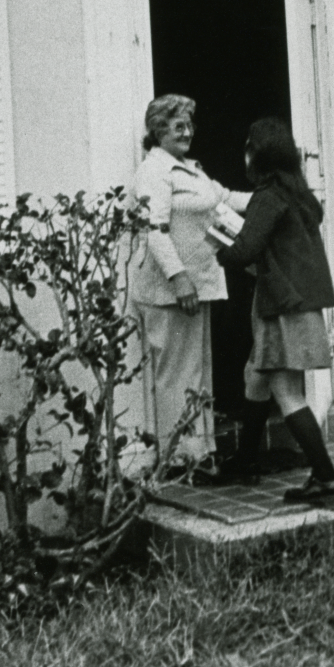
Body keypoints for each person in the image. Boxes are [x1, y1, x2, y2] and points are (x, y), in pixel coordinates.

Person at [213, 117, 334, 503]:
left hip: (282, 306)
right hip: (298, 302)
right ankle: (247, 460)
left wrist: (214, 247)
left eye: (248, 146)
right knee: (255, 375)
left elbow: (245, 250)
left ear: (258, 153)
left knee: (286, 390)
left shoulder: (269, 197)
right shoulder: (299, 196)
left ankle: (326, 478)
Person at [130, 94, 250, 467]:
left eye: (189, 124)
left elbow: (225, 198)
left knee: (197, 375)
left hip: (196, 286)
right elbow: (153, 227)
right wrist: (178, 278)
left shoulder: (190, 169)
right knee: (177, 377)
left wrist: (275, 196)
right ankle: (181, 459)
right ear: (157, 130)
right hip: (171, 291)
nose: (187, 132)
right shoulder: (155, 170)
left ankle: (199, 454)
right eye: (177, 125)